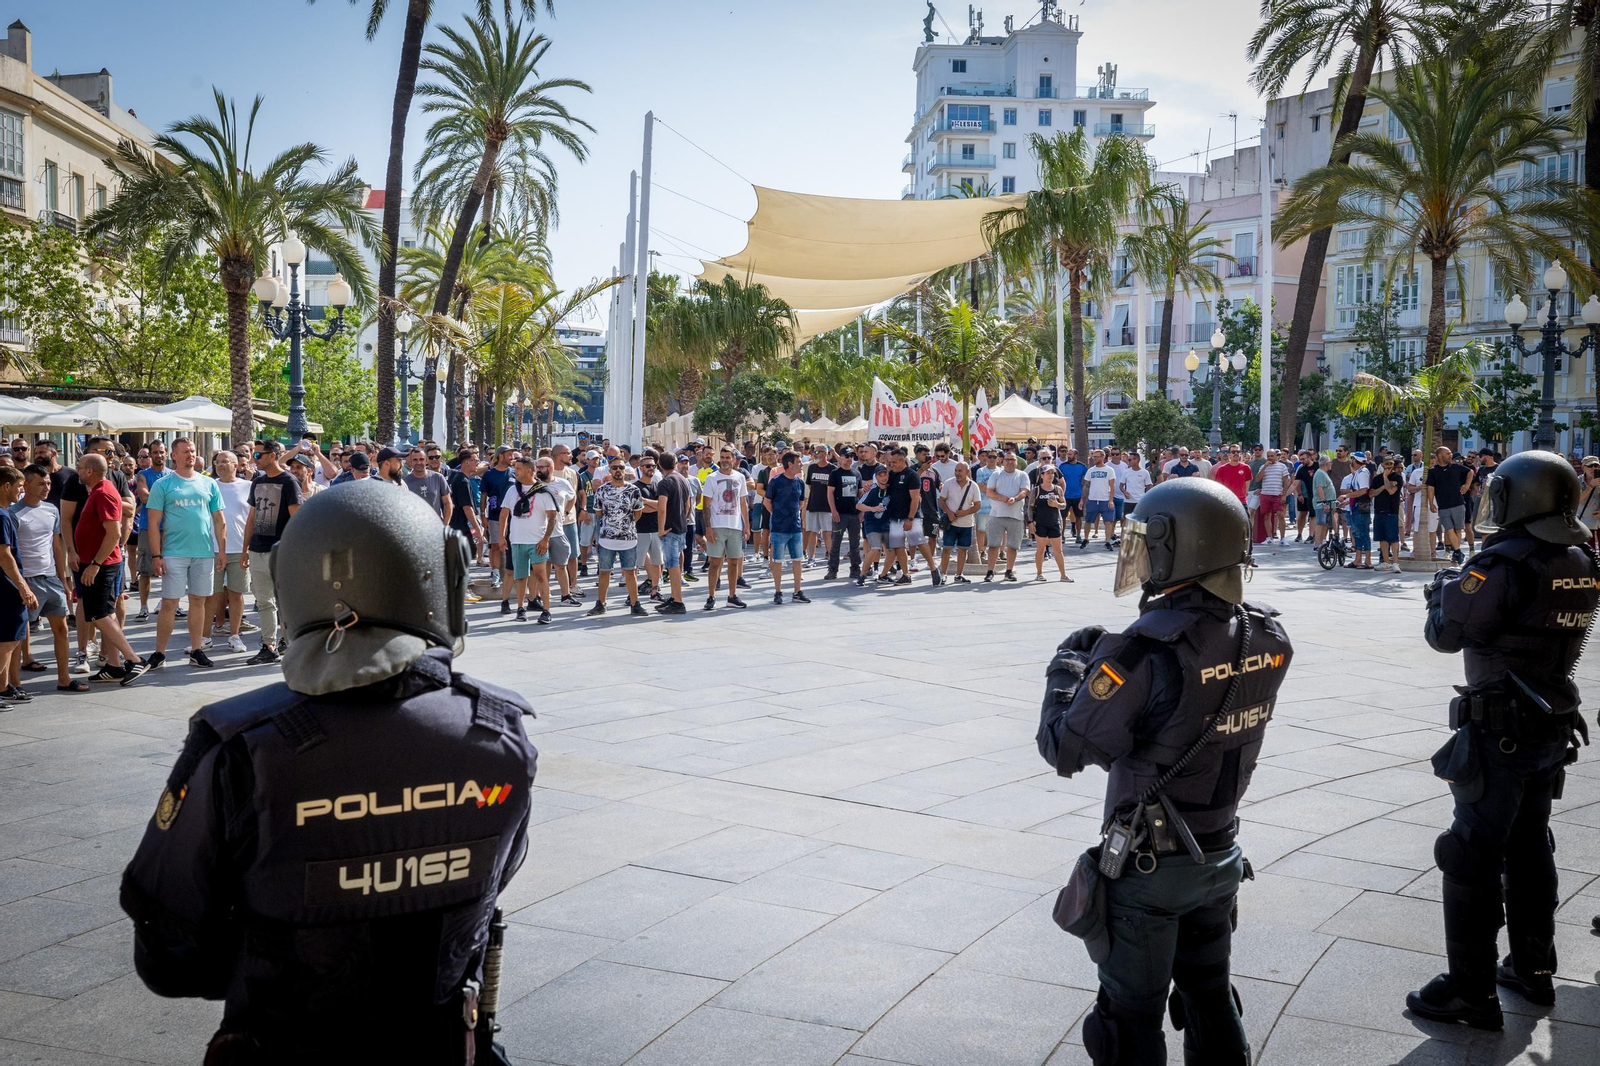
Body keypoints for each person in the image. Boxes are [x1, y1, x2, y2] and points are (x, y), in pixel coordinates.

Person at [120, 479, 538, 1063]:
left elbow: (170, 956)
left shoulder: (243, 746)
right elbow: (495, 875)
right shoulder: (500, 734)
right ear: (440, 581)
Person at [1037, 477, 1292, 1065]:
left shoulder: (1142, 652)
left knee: (1126, 1023)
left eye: (1149, 544)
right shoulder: (1268, 633)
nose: (1142, 556)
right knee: (1209, 995)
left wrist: (1066, 673)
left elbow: (1066, 749)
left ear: (1181, 549)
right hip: (1220, 850)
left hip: (1151, 868)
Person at [1405, 450, 1599, 1030]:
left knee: (1470, 853)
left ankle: (1470, 991)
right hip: (1549, 721)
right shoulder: (1579, 558)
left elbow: (1445, 633)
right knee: (1532, 843)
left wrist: (1444, 594)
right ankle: (1534, 968)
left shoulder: (1504, 561)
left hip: (1499, 729)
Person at [144, 439, 227, 672]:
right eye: (185, 452)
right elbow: (153, 523)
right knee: (170, 602)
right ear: (174, 455)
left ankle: (196, 649)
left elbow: (220, 520)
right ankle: (159, 652)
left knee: (199, 601)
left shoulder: (208, 484)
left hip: (203, 552)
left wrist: (221, 550)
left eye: (192, 451)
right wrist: (156, 555)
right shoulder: (163, 485)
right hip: (173, 552)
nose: (190, 455)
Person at [73, 454, 148, 686]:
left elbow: (114, 533)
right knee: (106, 613)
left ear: (89, 471)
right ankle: (114, 666)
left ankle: (134, 659)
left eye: (80, 467)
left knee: (99, 614)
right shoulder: (100, 489)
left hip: (102, 564)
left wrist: (95, 565)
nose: (77, 471)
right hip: (99, 562)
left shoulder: (103, 492)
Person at [12, 464, 79, 693]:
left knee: (62, 629)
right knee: (17, 634)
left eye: (48, 483)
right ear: (26, 485)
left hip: (51, 578)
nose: (46, 488)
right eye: (41, 484)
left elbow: (56, 545)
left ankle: (64, 678)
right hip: (26, 579)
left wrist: (63, 579)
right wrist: (19, 583)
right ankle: (14, 684)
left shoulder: (52, 509)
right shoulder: (13, 513)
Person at [245, 443, 301, 664]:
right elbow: (251, 517)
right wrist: (245, 549)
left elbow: (297, 518)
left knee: (284, 600)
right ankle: (269, 645)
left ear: (273, 456)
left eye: (258, 454)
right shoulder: (257, 482)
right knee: (265, 601)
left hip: (281, 550)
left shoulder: (288, 481)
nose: (254, 457)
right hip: (257, 549)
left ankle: (289, 642)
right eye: (254, 454)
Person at [501, 455, 559, 623]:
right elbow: (504, 513)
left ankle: (547, 610)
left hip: (537, 541)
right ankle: (520, 608)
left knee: (541, 575)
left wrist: (545, 539)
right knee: (521, 576)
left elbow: (552, 516)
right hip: (517, 540)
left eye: (518, 469)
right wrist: (502, 536)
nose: (515, 472)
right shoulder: (513, 490)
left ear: (528, 471)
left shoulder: (543, 491)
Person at [588, 456, 648, 617]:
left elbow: (638, 513)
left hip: (628, 538)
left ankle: (635, 604)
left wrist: (625, 525)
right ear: (610, 470)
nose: (618, 471)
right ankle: (600, 603)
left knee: (630, 572)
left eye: (621, 468)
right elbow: (599, 513)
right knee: (604, 572)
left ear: (625, 470)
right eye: (615, 468)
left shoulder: (633, 490)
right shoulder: (602, 490)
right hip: (607, 538)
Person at [209, 451, 253, 654]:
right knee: (211, 595)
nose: (220, 465)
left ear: (236, 465)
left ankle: (234, 635)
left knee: (236, 594)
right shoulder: (209, 485)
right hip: (212, 548)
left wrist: (248, 548)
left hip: (239, 550)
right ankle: (203, 637)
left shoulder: (248, 487)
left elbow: (253, 519)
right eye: (217, 462)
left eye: (225, 461)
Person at [0, 467, 38, 702]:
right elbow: (5, 556)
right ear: (6, 487)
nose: (21, 491)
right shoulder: (2, 516)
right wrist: (23, 587)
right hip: (6, 585)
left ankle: (3, 688)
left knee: (6, 639)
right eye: (19, 487)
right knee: (10, 639)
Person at [702, 447, 751, 610]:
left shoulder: (740, 477)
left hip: (735, 525)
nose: (724, 460)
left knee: (734, 562)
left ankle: (732, 596)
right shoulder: (711, 478)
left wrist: (746, 525)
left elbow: (743, 503)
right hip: (717, 525)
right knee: (715, 562)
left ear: (733, 459)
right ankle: (711, 596)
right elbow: (706, 505)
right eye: (722, 457)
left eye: (727, 457)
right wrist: (708, 528)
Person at [766, 450, 810, 603]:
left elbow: (801, 502)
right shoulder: (776, 481)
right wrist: (777, 515)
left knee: (797, 559)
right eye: (798, 462)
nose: (801, 464)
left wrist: (794, 515)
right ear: (790, 464)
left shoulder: (800, 482)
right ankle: (778, 591)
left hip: (795, 528)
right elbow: (767, 501)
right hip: (779, 528)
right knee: (777, 560)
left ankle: (797, 591)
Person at [654, 454, 693, 614]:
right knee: (675, 563)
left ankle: (678, 601)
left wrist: (661, 529)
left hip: (670, 529)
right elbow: (688, 503)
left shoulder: (665, 482)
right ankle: (673, 596)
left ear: (659, 465)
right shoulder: (683, 479)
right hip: (681, 527)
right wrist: (683, 519)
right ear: (675, 463)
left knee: (672, 565)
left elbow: (662, 508)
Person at [984, 450, 1029, 581]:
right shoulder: (996, 474)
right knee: (993, 545)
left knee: (1013, 546)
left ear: (1016, 462)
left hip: (1016, 516)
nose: (1010, 462)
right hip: (996, 515)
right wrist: (1003, 498)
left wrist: (1014, 499)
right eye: (1007, 459)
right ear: (1002, 461)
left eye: (1012, 460)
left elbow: (1024, 491)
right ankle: (990, 571)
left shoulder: (1022, 475)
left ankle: (1009, 571)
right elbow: (989, 493)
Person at [936, 460, 982, 584]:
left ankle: (959, 574)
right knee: (947, 549)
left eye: (960, 471)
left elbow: (978, 505)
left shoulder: (973, 486)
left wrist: (965, 513)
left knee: (963, 549)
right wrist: (949, 513)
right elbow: (942, 501)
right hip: (951, 523)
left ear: (967, 471)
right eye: (956, 470)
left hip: (967, 523)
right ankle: (943, 574)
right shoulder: (948, 483)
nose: (957, 473)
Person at [1426, 446, 1475, 564]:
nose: (1450, 455)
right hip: (1443, 506)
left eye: (1450, 453)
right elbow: (1431, 487)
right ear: (1440, 455)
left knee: (1458, 529)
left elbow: (1470, 472)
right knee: (1448, 529)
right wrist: (1431, 502)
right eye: (1448, 453)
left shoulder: (1456, 467)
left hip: (1458, 503)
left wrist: (1467, 485)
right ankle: (1458, 551)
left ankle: (1456, 552)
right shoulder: (1433, 471)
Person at [1029, 464, 1071, 582]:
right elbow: (1030, 507)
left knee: (1058, 550)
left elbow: (1064, 505)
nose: (1050, 476)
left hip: (1054, 523)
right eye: (1047, 473)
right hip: (1041, 523)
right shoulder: (1036, 490)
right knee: (1041, 549)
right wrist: (1030, 522)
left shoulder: (1058, 489)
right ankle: (1039, 573)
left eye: (1052, 473)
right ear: (1042, 475)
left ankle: (1063, 575)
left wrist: (1057, 504)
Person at [827, 448, 863, 581]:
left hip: (854, 514)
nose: (849, 458)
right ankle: (832, 569)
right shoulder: (835, 474)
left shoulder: (856, 473)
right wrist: (833, 510)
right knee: (836, 543)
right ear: (840, 457)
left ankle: (855, 569)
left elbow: (860, 494)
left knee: (855, 544)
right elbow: (830, 492)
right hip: (840, 514)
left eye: (851, 456)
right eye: (846, 456)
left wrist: (862, 511)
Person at [802, 443, 835, 567]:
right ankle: (811, 558)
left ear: (825, 453)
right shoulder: (811, 468)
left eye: (818, 452)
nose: (815, 454)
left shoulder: (832, 469)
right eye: (814, 452)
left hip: (827, 506)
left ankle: (830, 556)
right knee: (812, 532)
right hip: (813, 503)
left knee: (827, 532)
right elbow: (810, 485)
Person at [1371, 455, 1405, 573]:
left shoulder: (1398, 477)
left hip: (1392, 511)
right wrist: (1382, 487)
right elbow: (1371, 494)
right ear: (1382, 465)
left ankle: (1395, 563)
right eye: (1387, 464)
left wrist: (1386, 478)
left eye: (1391, 464)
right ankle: (1385, 561)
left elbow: (1391, 491)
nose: (1389, 466)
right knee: (1382, 538)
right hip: (1379, 511)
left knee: (1393, 538)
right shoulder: (1376, 479)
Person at [1079, 450, 1117, 550]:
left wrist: (1111, 500)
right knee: (1088, 521)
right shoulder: (1090, 470)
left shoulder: (1109, 470)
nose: (1094, 458)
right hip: (1092, 499)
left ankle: (1107, 541)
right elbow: (1086, 486)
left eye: (1096, 457)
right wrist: (1083, 499)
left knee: (1108, 521)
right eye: (1093, 457)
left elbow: (1112, 486)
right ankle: (1086, 539)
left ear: (1102, 457)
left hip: (1105, 499)